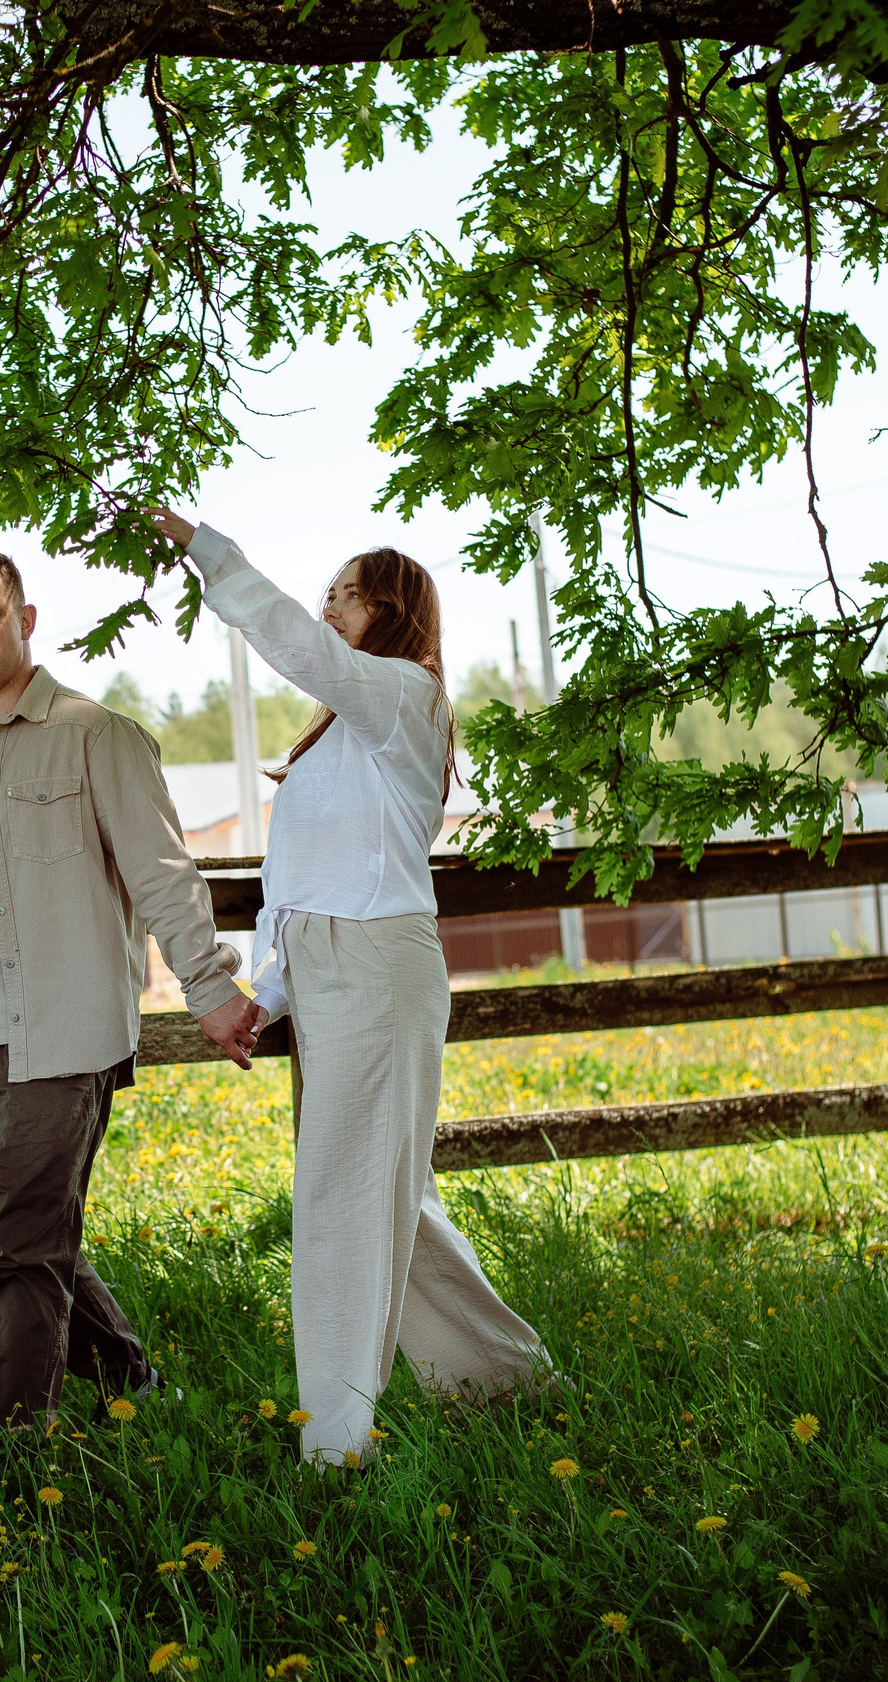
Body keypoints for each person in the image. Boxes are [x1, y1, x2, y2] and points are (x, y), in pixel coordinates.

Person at [0, 545, 267, 1475]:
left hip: (63, 1035)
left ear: (26, 619)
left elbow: (164, 876)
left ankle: (9, 1457)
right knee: (5, 1237)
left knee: (24, 1247)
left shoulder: (95, 736)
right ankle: (131, 1380)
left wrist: (208, 990)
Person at [146, 506, 551, 1470]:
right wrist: (269, 990)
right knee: (390, 1192)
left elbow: (300, 648)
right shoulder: (342, 732)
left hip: (378, 965)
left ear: (392, 610)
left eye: (347, 595)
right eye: (326, 594)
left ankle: (336, 1448)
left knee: (341, 1194)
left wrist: (210, 551)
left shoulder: (405, 696)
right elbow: (298, 881)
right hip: (334, 970)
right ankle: (507, 1380)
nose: (328, 608)